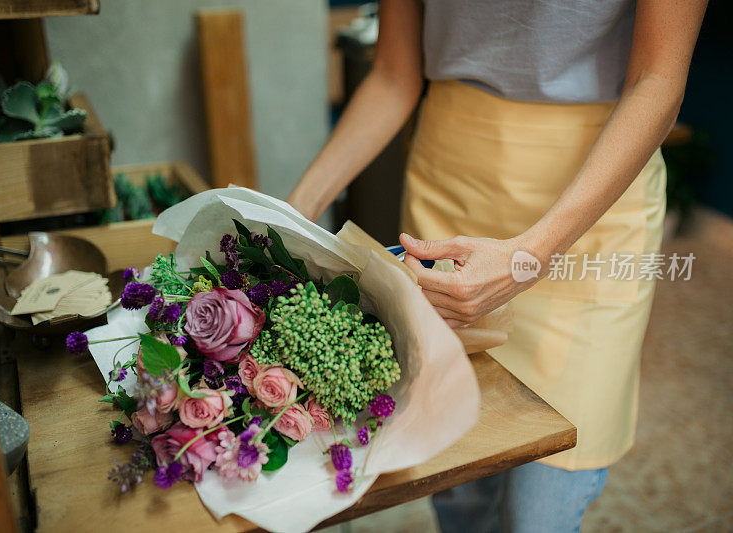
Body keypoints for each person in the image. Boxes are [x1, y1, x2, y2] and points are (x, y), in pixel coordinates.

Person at [287, 0, 708, 531]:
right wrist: (293, 211)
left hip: (592, 208)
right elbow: (395, 76)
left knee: (539, 513)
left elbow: (658, 81)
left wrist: (532, 254)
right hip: (451, 192)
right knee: (458, 480)